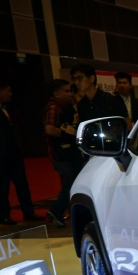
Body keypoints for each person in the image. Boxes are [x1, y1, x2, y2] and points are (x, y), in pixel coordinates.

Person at [0, 79, 40, 224]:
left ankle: (28, 212)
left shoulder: (7, 107)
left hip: (13, 152)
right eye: (8, 90)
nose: (10, 93)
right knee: (2, 185)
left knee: (22, 183)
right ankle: (4, 215)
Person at [43, 78, 84, 228]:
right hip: (61, 155)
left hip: (65, 154)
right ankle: (56, 211)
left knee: (70, 182)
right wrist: (68, 133)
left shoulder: (63, 106)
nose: (70, 94)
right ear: (56, 93)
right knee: (71, 183)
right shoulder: (54, 107)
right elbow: (50, 129)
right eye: (66, 91)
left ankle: (60, 212)